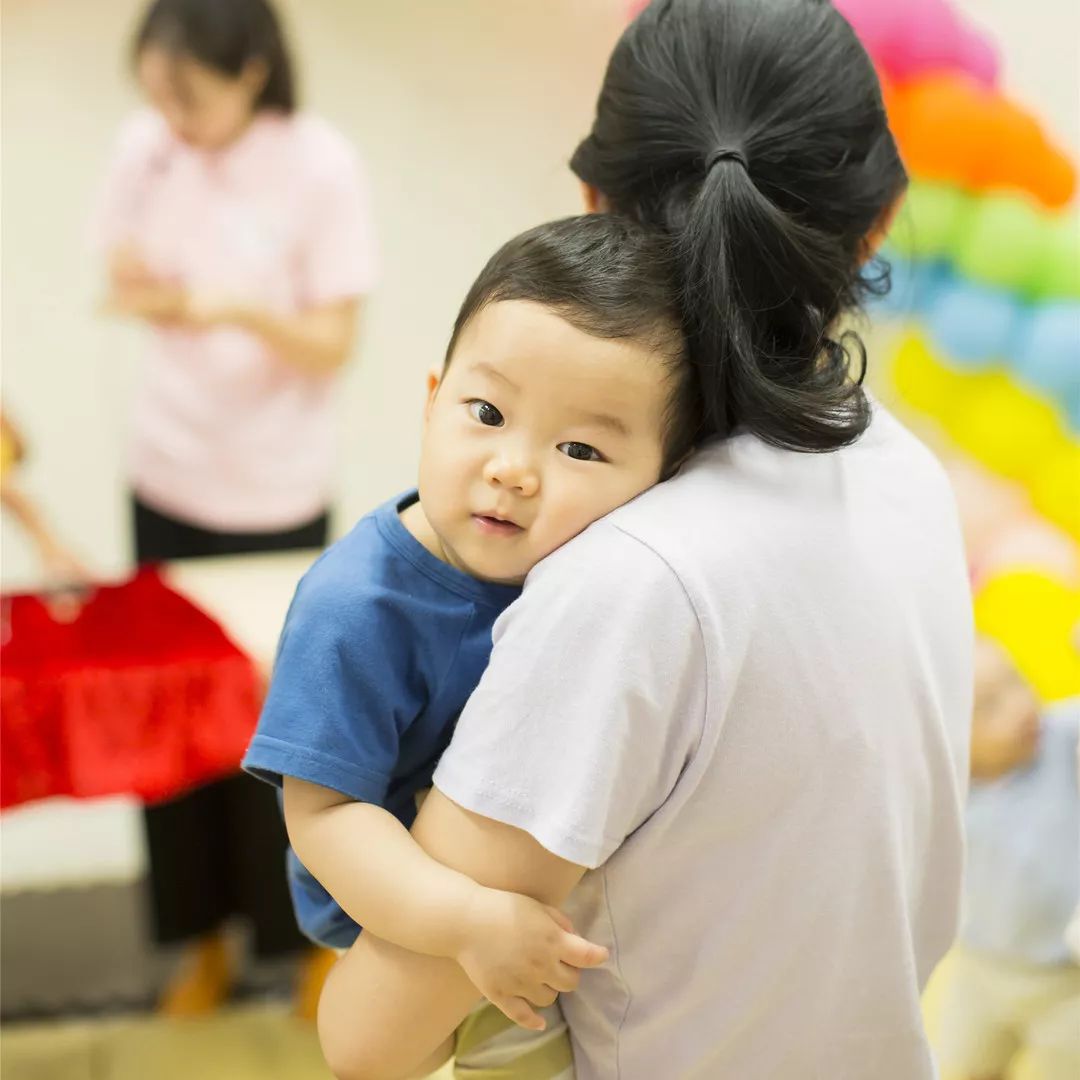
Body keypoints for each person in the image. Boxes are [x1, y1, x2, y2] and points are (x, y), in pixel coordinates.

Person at [315, 2, 973, 1078]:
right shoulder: (907, 475)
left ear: (591, 206)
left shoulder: (631, 581)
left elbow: (366, 1039)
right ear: (878, 223)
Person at [244, 212, 692, 1078]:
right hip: (414, 925)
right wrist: (464, 921)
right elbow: (325, 819)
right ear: (430, 398)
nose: (513, 468)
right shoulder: (354, 605)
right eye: (485, 412)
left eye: (580, 447)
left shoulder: (605, 576)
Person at [91, 0, 377, 1014]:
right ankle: (199, 942)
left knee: (283, 730)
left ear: (252, 72)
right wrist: (147, 288)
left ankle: (310, 940)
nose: (168, 116)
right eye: (156, 94)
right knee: (163, 722)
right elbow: (117, 278)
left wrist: (242, 308)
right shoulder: (147, 145)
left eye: (189, 95)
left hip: (274, 492)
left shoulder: (320, 168)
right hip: (165, 474)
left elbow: (335, 343)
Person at [936, 639, 1079, 1080]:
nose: (1019, 706)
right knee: (959, 1066)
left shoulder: (1060, 742)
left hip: (1064, 982)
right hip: (980, 967)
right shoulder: (949, 783)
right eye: (990, 707)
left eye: (1016, 681)